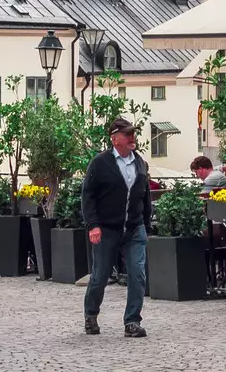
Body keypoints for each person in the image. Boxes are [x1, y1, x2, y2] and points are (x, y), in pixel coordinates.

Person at [80, 117, 152, 338]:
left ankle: (132, 321)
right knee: (100, 276)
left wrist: (145, 224)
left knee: (138, 274)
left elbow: (145, 196)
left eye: (133, 134)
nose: (132, 138)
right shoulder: (100, 163)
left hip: (134, 228)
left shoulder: (140, 163)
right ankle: (91, 315)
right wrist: (93, 225)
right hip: (106, 228)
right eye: (127, 134)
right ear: (114, 138)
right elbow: (88, 196)